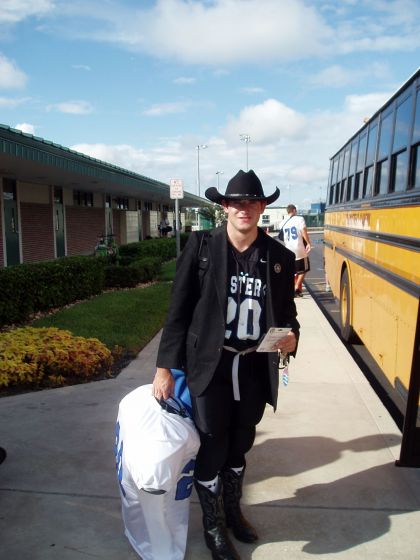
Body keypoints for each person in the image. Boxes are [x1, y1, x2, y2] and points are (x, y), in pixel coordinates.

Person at [153, 169, 299, 560]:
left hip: (253, 366)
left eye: (252, 202)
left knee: (241, 441)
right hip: (211, 366)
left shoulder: (278, 258)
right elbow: (178, 309)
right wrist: (164, 367)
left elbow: (287, 312)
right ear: (224, 207)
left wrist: (292, 337)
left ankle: (233, 511)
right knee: (214, 443)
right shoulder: (202, 248)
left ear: (262, 206)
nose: (244, 209)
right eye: (236, 202)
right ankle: (213, 527)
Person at [278, 204, 311, 297]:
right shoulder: (299, 219)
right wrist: (308, 243)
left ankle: (293, 288)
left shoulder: (283, 222)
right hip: (298, 247)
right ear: (294, 210)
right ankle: (297, 286)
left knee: (292, 271)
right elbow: (303, 230)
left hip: (288, 248)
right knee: (304, 269)